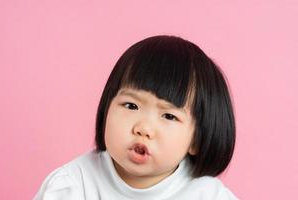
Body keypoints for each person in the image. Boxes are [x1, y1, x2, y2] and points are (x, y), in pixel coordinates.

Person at [34, 35, 238, 199]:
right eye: (131, 105)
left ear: (196, 140)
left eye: (168, 116)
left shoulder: (208, 195)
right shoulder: (73, 185)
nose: (143, 128)